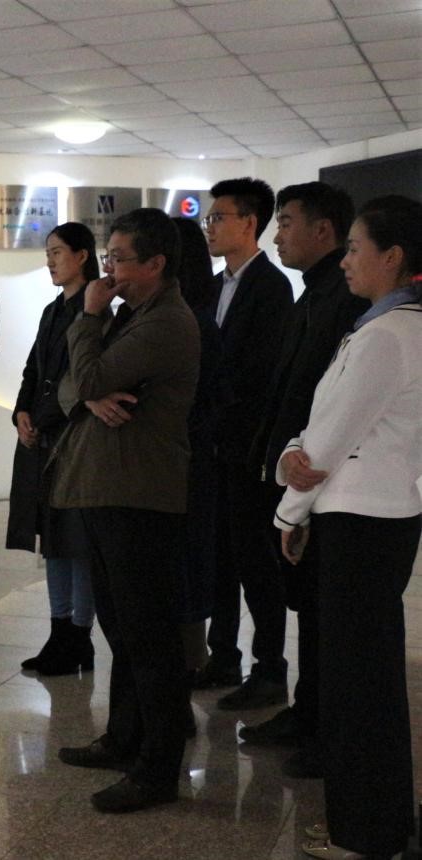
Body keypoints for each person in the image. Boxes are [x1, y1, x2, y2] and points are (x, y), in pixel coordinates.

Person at [274, 195, 422, 860]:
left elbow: (328, 441)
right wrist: (293, 452)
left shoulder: (388, 335)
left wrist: (287, 511)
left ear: (393, 257)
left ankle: (366, 834)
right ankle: (374, 824)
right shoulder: (391, 326)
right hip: (375, 517)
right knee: (367, 679)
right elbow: (320, 427)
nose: (346, 262)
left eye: (356, 249)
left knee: (358, 686)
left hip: (360, 522)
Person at [50, 208, 200, 814]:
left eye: (118, 259)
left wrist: (88, 319)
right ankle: (123, 738)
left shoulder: (164, 322)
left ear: (155, 264)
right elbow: (70, 383)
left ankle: (157, 769)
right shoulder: (131, 317)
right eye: (107, 256)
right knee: (121, 626)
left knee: (149, 634)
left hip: (139, 493)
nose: (107, 269)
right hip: (109, 486)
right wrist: (89, 393)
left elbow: (85, 376)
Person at [238, 183, 368, 780]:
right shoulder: (311, 295)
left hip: (320, 482)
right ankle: (308, 711)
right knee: (308, 609)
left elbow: (328, 405)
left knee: (323, 614)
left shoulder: (343, 301)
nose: (277, 235)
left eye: (286, 223)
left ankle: (325, 727)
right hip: (291, 474)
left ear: (324, 230)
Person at [196, 177, 295, 711]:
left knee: (256, 561)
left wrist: (215, 409)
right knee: (220, 557)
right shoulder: (216, 286)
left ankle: (270, 667)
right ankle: (223, 655)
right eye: (209, 218)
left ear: (249, 223)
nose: (209, 226)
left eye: (218, 217)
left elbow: (256, 373)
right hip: (214, 445)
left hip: (247, 446)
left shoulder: (271, 287)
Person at [5, 222, 97, 676]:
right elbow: (32, 369)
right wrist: (21, 412)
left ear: (82, 256)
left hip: (74, 440)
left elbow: (81, 379)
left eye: (57, 252)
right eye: (48, 253)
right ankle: (59, 630)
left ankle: (80, 635)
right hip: (43, 437)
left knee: (78, 543)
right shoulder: (51, 310)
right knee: (53, 540)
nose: (50, 261)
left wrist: (44, 418)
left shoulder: (96, 309)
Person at [171, 217, 221, 681]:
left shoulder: (190, 322)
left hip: (183, 461)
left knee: (184, 563)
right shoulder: (193, 316)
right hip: (185, 458)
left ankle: (189, 664)